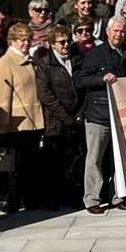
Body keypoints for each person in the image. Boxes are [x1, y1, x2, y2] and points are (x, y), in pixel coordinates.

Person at [74, 18, 126, 213]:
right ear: (107, 32)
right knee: (94, 159)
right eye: (115, 31)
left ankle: (118, 196)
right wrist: (101, 79)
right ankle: (92, 199)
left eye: (122, 31)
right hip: (99, 115)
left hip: (123, 115)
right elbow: (81, 80)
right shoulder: (95, 54)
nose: (118, 35)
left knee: (120, 160)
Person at [0, 24, 44, 214]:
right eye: (21, 39)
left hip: (33, 121)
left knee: (28, 165)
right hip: (14, 124)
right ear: (11, 40)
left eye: (28, 39)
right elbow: (2, 98)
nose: (25, 43)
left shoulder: (29, 61)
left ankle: (28, 198)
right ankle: (10, 200)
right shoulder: (5, 63)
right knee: (12, 166)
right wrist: (2, 124)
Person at [32, 25, 80, 210]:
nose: (66, 45)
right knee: (53, 162)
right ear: (52, 44)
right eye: (61, 42)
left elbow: (81, 87)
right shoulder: (45, 63)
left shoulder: (76, 59)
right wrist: (65, 117)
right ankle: (52, 199)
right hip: (55, 120)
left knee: (71, 160)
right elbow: (45, 94)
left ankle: (69, 196)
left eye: (68, 41)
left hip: (75, 118)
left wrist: (78, 114)